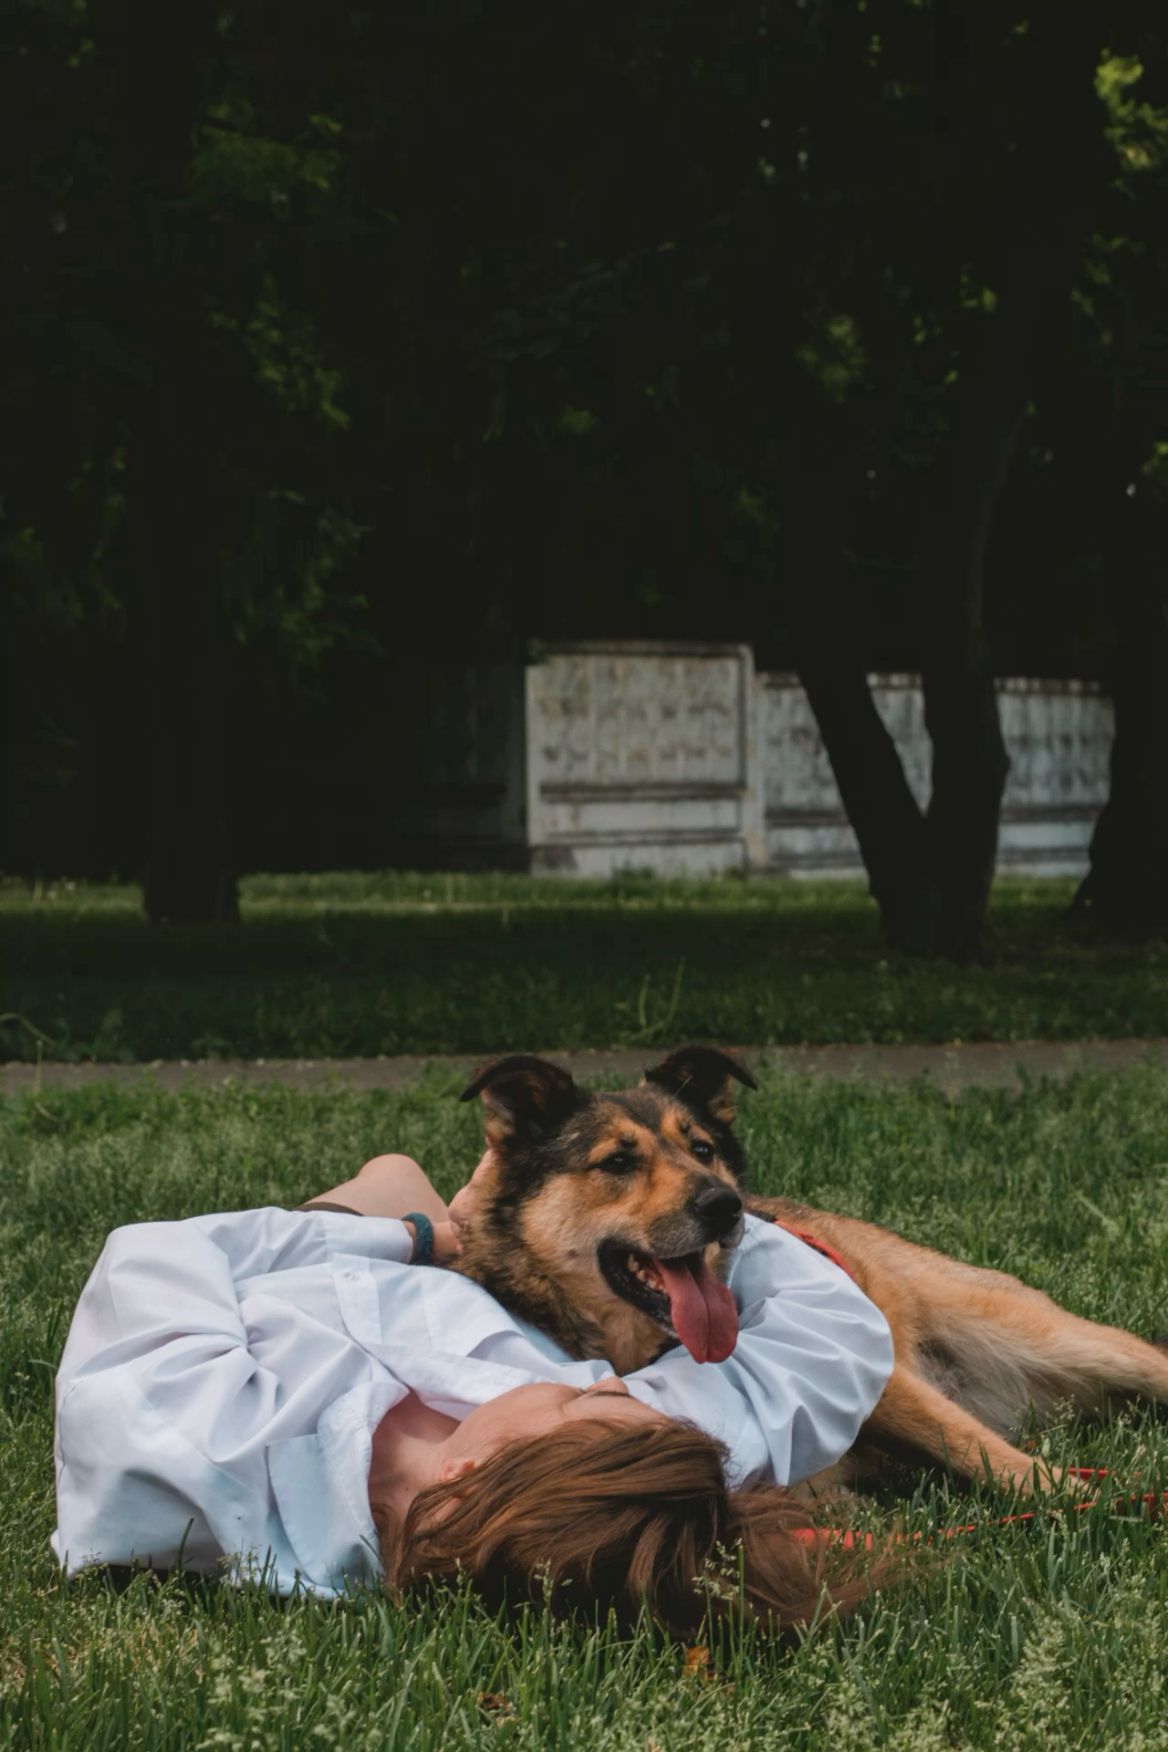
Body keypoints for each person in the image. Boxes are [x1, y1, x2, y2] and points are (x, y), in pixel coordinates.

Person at [53, 1152, 894, 1635]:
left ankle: (415, 1202)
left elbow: (154, 1257)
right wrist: (704, 1233)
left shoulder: (199, 1450)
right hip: (432, 1293)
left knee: (392, 1175)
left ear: (469, 1477)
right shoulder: (616, 1476)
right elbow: (832, 1345)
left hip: (294, 1269)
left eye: (579, 1401)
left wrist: (419, 1236)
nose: (605, 1385)